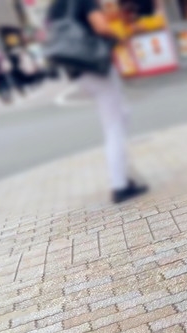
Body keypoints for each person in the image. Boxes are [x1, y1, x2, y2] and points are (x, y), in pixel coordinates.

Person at [46, 0, 147, 204]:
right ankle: (120, 185)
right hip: (96, 66)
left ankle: (124, 171)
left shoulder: (55, 7)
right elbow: (100, 26)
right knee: (114, 126)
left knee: (122, 114)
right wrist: (119, 38)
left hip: (77, 69)